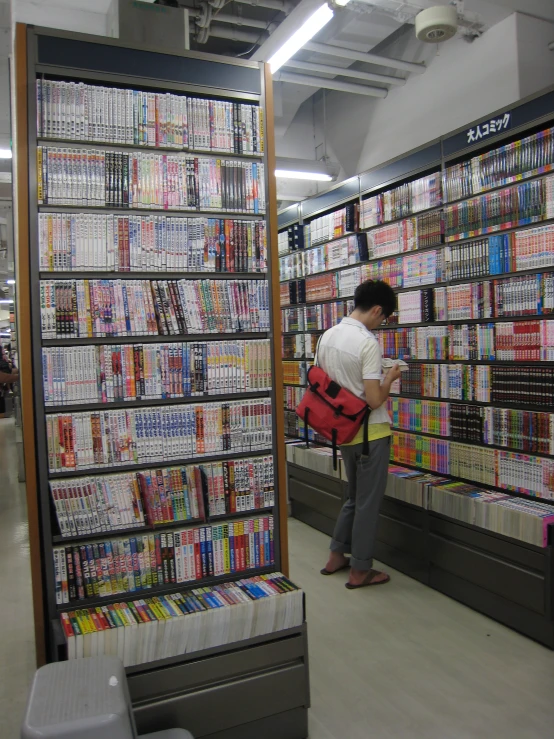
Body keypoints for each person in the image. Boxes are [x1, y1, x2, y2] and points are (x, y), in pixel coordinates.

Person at [318, 280, 401, 589]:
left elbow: (323, 386)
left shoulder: (328, 336)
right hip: (371, 434)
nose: (381, 324)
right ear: (377, 309)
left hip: (342, 432)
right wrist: (389, 378)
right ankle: (360, 570)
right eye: (384, 318)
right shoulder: (367, 342)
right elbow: (374, 399)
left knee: (354, 497)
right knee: (367, 503)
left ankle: (336, 555)